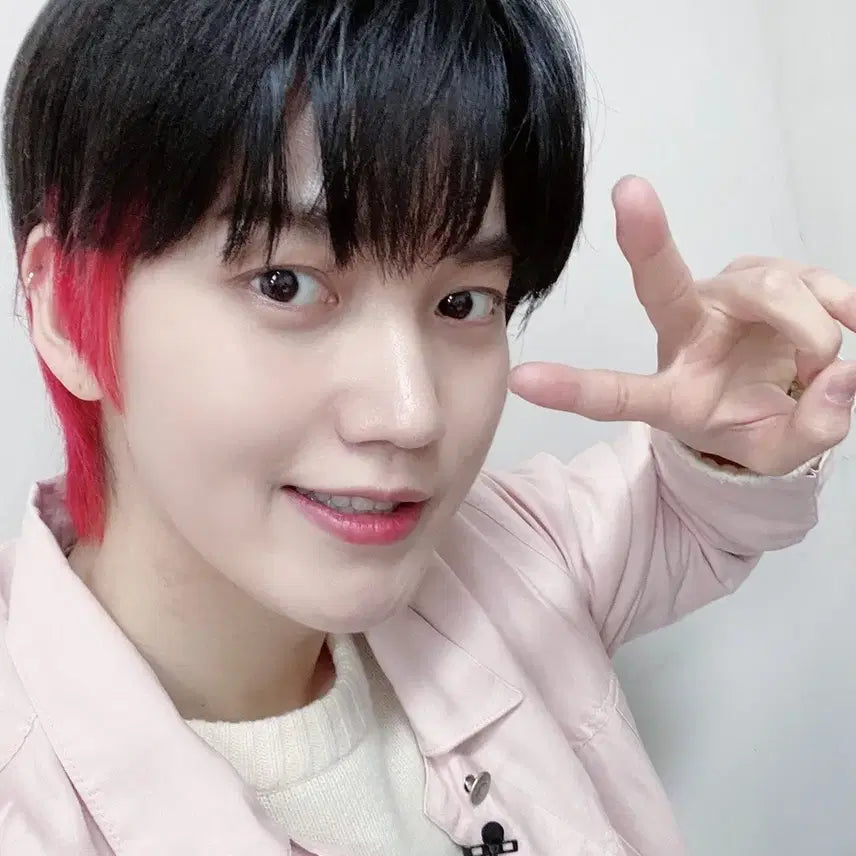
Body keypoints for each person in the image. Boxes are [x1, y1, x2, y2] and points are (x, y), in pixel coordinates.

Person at [1, 1, 854, 854]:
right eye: (287, 284)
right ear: (66, 311)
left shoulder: (504, 557)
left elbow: (688, 511)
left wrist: (733, 432)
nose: (412, 415)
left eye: (462, 302)